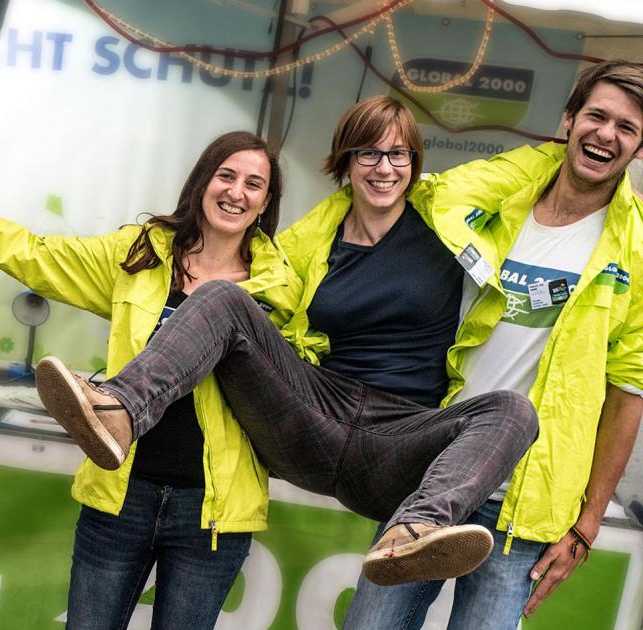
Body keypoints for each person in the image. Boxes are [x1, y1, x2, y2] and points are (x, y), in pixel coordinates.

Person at [33, 95, 544, 588]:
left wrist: (582, 131)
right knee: (223, 296)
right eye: (368, 153)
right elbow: (249, 307)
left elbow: (536, 164)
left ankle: (415, 530)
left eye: (398, 154)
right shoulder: (307, 240)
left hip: (399, 438)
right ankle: (120, 410)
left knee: (514, 410)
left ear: (414, 162)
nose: (384, 168)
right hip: (315, 418)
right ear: (346, 161)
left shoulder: (448, 208)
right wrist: (179, 253)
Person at [0, 128, 302, 629]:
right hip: (122, 495)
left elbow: (300, 380)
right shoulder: (141, 256)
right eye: (226, 176)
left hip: (211, 515)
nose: (236, 192)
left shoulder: (278, 289)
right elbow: (32, 254)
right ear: (202, 182)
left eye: (254, 184)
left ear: (265, 203)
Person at [342, 60, 643, 629]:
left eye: (626, 127)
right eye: (597, 116)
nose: (606, 134)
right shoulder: (501, 197)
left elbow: (629, 390)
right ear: (569, 119)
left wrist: (587, 524)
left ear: (640, 147)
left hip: (524, 505)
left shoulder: (637, 248)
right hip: (437, 478)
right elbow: (408, 200)